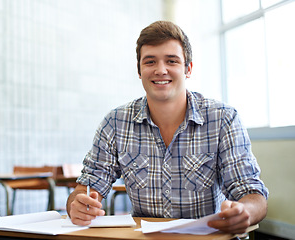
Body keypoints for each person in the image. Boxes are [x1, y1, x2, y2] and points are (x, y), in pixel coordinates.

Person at [66, 20, 268, 234]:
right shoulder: (115, 123)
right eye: (150, 62)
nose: (160, 70)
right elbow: (86, 187)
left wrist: (244, 211)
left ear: (188, 69)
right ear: (139, 70)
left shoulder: (223, 119)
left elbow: (252, 194)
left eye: (171, 61)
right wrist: (76, 206)